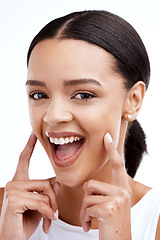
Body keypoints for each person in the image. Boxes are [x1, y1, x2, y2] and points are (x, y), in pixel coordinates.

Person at [0, 10, 160, 240]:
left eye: (83, 95)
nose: (53, 116)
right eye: (38, 94)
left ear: (133, 101)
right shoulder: (6, 210)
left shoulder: (155, 221)